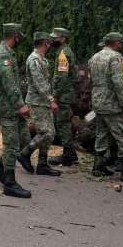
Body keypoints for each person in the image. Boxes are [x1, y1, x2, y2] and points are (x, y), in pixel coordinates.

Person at [87, 32, 123, 182]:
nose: (122, 46)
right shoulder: (115, 58)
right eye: (121, 43)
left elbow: (91, 80)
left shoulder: (94, 57)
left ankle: (98, 166)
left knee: (101, 133)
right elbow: (119, 82)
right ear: (115, 43)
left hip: (98, 101)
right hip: (112, 103)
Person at [0, 23, 32, 198]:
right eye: (19, 36)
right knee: (12, 144)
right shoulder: (2, 55)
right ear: (14, 36)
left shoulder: (8, 53)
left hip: (13, 106)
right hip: (8, 107)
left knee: (24, 140)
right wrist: (20, 104)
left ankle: (0, 164)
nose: (20, 39)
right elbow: (9, 83)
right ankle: (10, 182)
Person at [17, 32, 61, 176]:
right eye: (49, 43)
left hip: (43, 102)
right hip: (37, 102)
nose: (51, 45)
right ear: (45, 43)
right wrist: (51, 100)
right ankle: (24, 153)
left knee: (51, 133)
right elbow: (38, 82)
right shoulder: (34, 59)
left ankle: (42, 164)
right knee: (46, 132)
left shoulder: (42, 59)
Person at [48, 27, 80, 167]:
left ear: (63, 38)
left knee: (63, 125)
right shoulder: (64, 51)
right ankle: (70, 154)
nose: (53, 40)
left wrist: (55, 96)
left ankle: (68, 155)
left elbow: (61, 77)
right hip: (66, 94)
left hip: (63, 96)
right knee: (63, 124)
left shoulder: (63, 54)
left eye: (56, 37)